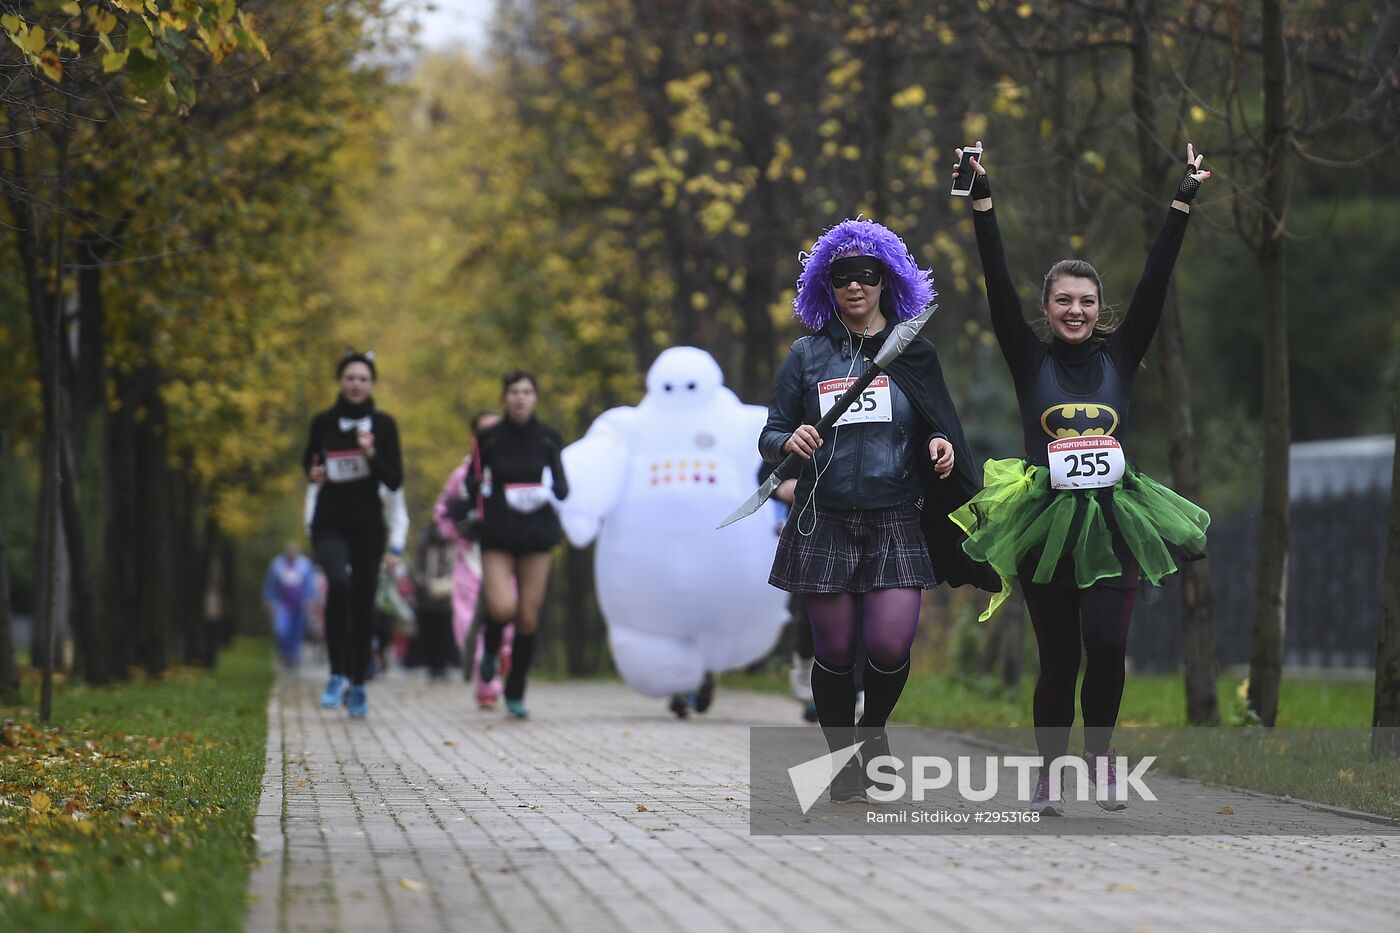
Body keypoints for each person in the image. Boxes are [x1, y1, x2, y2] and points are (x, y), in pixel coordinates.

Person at [950, 141, 1212, 815]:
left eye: (1087, 301)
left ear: (1101, 307)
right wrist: (982, 200)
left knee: (1107, 642)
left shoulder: (1122, 355)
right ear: (1048, 306)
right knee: (1059, 657)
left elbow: (1155, 281)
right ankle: (1047, 770)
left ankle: (1099, 755)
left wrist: (1183, 200)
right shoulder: (1027, 357)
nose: (1075, 311)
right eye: (1063, 300)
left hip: (1114, 518)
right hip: (1045, 523)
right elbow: (995, 278)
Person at [761, 218, 988, 803]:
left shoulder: (915, 352)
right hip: (824, 517)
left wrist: (938, 447)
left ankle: (872, 734)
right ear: (826, 287)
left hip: (895, 517)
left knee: (889, 646)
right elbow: (771, 433)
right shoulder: (806, 356)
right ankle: (844, 759)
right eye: (841, 279)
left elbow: (941, 428)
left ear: (886, 282)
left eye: (865, 277)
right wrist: (788, 442)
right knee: (834, 653)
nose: (854, 288)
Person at [303, 348, 404, 718]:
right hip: (329, 520)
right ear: (340, 382)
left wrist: (371, 452)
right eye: (350, 378)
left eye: (363, 378)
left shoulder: (385, 425)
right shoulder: (323, 423)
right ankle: (336, 673)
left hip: (367, 526)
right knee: (338, 584)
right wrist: (313, 473)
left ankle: (358, 682)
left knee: (363, 605)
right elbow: (310, 461)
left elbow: (394, 479)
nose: (356, 384)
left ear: (372, 383)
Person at [466, 371, 570, 719]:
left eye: (527, 391)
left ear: (535, 397)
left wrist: (552, 491)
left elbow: (562, 484)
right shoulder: (489, 438)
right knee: (501, 607)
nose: (521, 398)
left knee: (527, 617)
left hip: (537, 532)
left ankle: (516, 690)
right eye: (514, 392)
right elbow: (472, 479)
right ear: (505, 397)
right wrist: (481, 492)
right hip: (498, 530)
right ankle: (492, 650)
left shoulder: (549, 438)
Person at [434, 411, 511, 708]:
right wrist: (454, 531)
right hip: (470, 558)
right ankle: (487, 687)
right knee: (468, 626)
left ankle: (503, 655)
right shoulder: (461, 476)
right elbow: (442, 512)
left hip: (505, 555)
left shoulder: (515, 468)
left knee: (505, 616)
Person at [262, 542, 317, 670]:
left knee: (296, 631)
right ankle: (284, 653)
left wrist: (309, 600)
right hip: (282, 605)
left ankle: (293, 656)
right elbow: (270, 583)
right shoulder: (277, 565)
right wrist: (268, 599)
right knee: (282, 630)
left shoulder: (304, 565)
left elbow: (309, 585)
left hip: (299, 604)